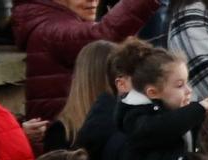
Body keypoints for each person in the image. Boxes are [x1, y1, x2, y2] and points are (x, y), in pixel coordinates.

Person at [12, 0, 161, 122]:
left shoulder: (56, 22)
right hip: (67, 146)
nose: (93, 0)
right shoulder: (51, 29)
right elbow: (101, 36)